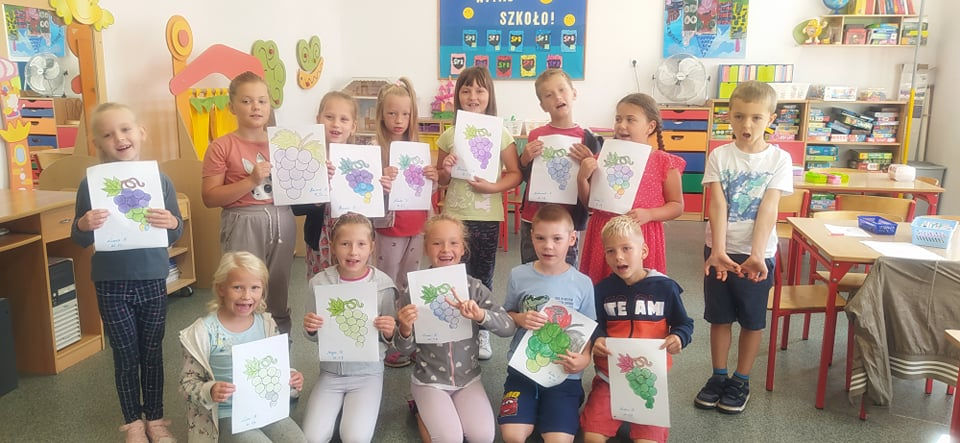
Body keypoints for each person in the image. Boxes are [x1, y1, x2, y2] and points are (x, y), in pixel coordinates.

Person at [71, 102, 182, 443]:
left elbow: (175, 231)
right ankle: (133, 422)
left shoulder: (159, 180)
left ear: (140, 133)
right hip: (110, 283)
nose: (119, 138)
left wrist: (171, 222)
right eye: (108, 134)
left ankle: (156, 419)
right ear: (97, 143)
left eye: (125, 129)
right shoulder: (90, 184)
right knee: (124, 354)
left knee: (152, 352)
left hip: (152, 278)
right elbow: (79, 237)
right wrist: (83, 224)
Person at [695, 81, 792, 414]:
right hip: (719, 251)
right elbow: (717, 204)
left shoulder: (779, 159)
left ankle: (741, 379)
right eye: (739, 116)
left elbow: (769, 207)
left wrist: (756, 254)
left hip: (758, 257)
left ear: (770, 119)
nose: (746, 125)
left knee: (752, 321)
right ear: (728, 117)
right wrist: (718, 251)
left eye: (755, 117)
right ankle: (719, 376)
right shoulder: (719, 155)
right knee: (719, 318)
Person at [394, 214, 516, 443]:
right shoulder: (414, 290)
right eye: (436, 243)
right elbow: (403, 349)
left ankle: (432, 411)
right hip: (429, 380)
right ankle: (420, 409)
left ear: (463, 248)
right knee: (450, 439)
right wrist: (405, 329)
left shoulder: (474, 288)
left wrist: (481, 316)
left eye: (453, 243)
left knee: (483, 437)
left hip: (468, 379)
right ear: (426, 248)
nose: (445, 249)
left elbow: (508, 327)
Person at [580, 216, 693, 443]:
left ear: (643, 251)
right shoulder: (601, 290)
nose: (618, 256)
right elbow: (594, 324)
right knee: (592, 437)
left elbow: (684, 323)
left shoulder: (665, 288)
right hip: (609, 378)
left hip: (650, 378)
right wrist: (598, 339)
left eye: (626, 248)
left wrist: (679, 337)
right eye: (610, 251)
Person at [436, 66, 522, 360]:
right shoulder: (449, 135)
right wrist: (445, 169)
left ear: (489, 95)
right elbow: (441, 180)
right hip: (454, 218)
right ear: (458, 96)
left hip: (486, 217)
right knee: (452, 273)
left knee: (482, 276)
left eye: (479, 90)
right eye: (466, 90)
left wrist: (493, 187)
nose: (473, 96)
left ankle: (482, 330)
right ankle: (452, 329)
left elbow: (516, 174)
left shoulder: (501, 133)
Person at [201, 71, 296, 334]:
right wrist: (251, 181)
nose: (256, 107)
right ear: (232, 106)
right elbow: (209, 197)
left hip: (282, 219)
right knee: (243, 286)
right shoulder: (222, 146)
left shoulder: (282, 143)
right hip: (243, 221)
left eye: (262, 101)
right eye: (246, 101)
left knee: (278, 286)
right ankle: (243, 341)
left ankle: (280, 342)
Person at [179, 252, 306, 442]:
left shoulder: (266, 324)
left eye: (255, 288)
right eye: (237, 287)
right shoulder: (203, 332)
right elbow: (187, 384)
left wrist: (291, 377)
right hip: (226, 415)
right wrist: (210, 390)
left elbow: (275, 367)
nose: (246, 296)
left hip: (265, 408)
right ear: (221, 288)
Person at [498, 205, 595, 443]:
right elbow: (506, 314)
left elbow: (589, 330)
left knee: (558, 440)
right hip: (523, 370)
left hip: (564, 375)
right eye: (540, 238)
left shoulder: (583, 283)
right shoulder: (518, 275)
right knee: (512, 436)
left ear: (572, 239)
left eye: (557, 239)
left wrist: (584, 359)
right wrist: (519, 318)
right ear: (531, 236)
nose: (548, 246)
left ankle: (562, 404)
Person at [301, 214, 399, 443]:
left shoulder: (383, 285)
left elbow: (391, 339)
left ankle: (348, 413)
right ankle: (338, 412)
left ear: (372, 247)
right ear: (333, 246)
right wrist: (311, 328)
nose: (353, 252)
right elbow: (312, 336)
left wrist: (389, 330)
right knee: (312, 437)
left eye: (361, 244)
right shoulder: (319, 283)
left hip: (368, 373)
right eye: (345, 243)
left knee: (355, 437)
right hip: (331, 372)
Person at [577, 93, 685, 284]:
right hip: (605, 233)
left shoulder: (664, 162)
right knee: (603, 289)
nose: (621, 125)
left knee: (642, 290)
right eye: (618, 119)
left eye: (630, 120)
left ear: (650, 127)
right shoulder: (603, 159)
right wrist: (582, 178)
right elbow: (590, 205)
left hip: (641, 235)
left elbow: (677, 205)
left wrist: (650, 214)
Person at [375, 78, 439, 368]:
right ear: (381, 114)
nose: (398, 120)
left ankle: (404, 338)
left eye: (405, 113)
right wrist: (381, 181)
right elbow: (366, 193)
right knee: (386, 283)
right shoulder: (376, 150)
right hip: (389, 228)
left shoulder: (418, 149)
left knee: (408, 283)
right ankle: (385, 340)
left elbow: (427, 191)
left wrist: (433, 179)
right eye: (392, 113)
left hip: (417, 227)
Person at [517, 68, 601, 266]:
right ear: (542, 105)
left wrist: (589, 164)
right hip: (534, 218)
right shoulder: (536, 135)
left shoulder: (588, 139)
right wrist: (525, 159)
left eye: (562, 90)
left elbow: (595, 186)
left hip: (567, 222)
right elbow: (526, 176)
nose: (557, 97)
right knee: (531, 269)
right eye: (549, 95)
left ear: (574, 93)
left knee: (565, 272)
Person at [292, 91, 359, 280]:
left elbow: (370, 203)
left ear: (353, 127)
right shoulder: (307, 159)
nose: (336, 124)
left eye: (344, 119)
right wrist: (317, 195)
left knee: (352, 283)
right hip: (319, 237)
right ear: (318, 120)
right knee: (321, 284)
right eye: (329, 117)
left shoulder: (361, 160)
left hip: (353, 239)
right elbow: (296, 207)